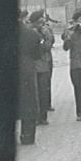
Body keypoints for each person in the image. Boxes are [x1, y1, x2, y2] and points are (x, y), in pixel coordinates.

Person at [18, 9, 42, 144]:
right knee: (28, 102)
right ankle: (27, 136)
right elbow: (37, 55)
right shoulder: (32, 34)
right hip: (26, 70)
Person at [29, 11, 53, 126]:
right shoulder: (30, 32)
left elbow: (47, 47)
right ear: (33, 23)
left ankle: (43, 117)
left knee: (43, 92)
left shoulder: (45, 32)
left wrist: (44, 38)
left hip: (43, 66)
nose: (41, 25)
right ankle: (35, 117)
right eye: (39, 22)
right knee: (34, 94)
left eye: (42, 22)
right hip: (33, 66)